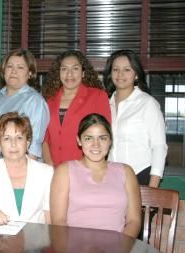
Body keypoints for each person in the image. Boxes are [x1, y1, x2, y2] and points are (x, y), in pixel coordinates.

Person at [50, 113, 141, 238]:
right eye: (89, 138)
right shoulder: (64, 171)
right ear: (79, 140)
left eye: (102, 138)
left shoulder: (126, 172)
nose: (96, 144)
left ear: (110, 141)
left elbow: (134, 221)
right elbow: (58, 222)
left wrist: (121, 248)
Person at [0, 112, 54, 225]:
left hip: (36, 240)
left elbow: (49, 216)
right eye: (6, 138)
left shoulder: (46, 173)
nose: (13, 144)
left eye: (19, 138)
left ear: (27, 143)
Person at [104, 49, 167, 187]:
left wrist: (153, 187)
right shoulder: (105, 104)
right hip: (110, 177)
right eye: (115, 69)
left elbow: (159, 146)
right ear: (110, 74)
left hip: (141, 175)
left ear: (136, 75)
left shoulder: (147, 103)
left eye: (127, 69)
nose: (120, 74)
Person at [42, 50, 111, 167]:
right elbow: (45, 139)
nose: (69, 74)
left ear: (83, 73)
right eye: (64, 69)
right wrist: (50, 165)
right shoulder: (50, 99)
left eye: (75, 68)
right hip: (54, 169)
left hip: (84, 169)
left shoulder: (97, 96)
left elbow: (104, 136)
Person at [0, 48, 49, 162]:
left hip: (19, 171)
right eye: (9, 66)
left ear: (30, 73)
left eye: (20, 67)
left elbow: (33, 146)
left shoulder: (34, 101)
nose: (13, 71)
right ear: (3, 71)